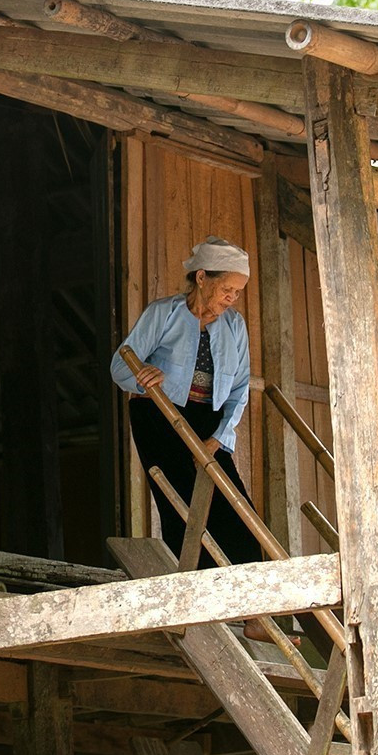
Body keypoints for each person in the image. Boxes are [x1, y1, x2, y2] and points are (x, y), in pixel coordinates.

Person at [111, 236, 261, 565]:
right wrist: (145, 374)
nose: (232, 298)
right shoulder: (164, 314)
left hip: (209, 423)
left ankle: (247, 603)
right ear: (202, 276)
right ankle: (196, 593)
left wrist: (220, 436)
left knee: (235, 513)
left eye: (237, 292)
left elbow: (239, 389)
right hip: (158, 415)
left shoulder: (235, 325)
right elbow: (120, 365)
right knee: (179, 506)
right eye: (228, 289)